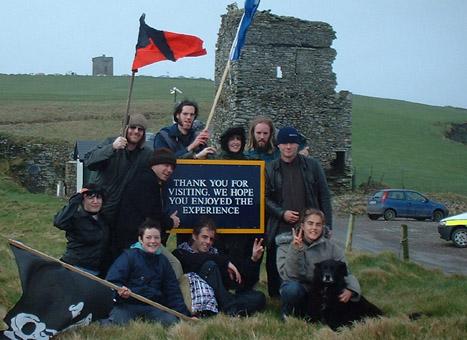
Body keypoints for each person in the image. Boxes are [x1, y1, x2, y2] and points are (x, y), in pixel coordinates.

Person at [265, 126, 332, 298]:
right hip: (281, 228)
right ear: (278, 145)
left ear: (298, 145)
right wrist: (281, 213)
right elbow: (263, 198)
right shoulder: (270, 168)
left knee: (311, 265)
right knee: (279, 269)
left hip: (310, 227)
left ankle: (311, 297)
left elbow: (324, 195)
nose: (288, 147)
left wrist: (328, 225)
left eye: (292, 143)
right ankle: (279, 298)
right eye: (285, 143)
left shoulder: (312, 166)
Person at [276, 208, 360, 319]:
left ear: (322, 227)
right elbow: (289, 275)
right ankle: (288, 313)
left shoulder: (332, 247)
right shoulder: (285, 246)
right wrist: (296, 250)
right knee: (292, 289)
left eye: (318, 225)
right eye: (310, 223)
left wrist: (352, 289)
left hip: (320, 291)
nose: (314, 228)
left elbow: (345, 271)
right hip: (298, 288)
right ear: (302, 225)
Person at [172, 218, 266, 316]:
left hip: (221, 298)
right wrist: (225, 262)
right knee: (210, 265)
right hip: (197, 299)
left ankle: (228, 308)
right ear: (195, 236)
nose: (208, 242)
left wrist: (253, 259)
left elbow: (239, 274)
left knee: (259, 297)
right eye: (204, 237)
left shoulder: (216, 255)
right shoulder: (180, 253)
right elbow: (197, 260)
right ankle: (230, 308)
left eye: (211, 239)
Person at [104, 222, 192, 326]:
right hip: (127, 305)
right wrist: (120, 291)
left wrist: (185, 316)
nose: (153, 241)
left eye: (156, 238)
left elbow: (173, 292)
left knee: (171, 322)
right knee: (117, 323)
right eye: (148, 237)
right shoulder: (128, 257)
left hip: (153, 307)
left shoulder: (163, 262)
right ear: (140, 240)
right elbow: (112, 282)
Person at [83, 114, 153, 225]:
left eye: (140, 129)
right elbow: (89, 161)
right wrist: (112, 148)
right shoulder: (110, 143)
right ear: (125, 129)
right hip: (102, 210)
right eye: (132, 127)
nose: (136, 131)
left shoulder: (146, 154)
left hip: (127, 215)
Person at [112, 148, 179, 258]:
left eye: (172, 167)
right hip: (134, 243)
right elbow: (152, 214)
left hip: (138, 240)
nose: (169, 170)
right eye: (166, 165)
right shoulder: (146, 182)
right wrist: (171, 222)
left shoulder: (148, 179)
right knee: (174, 265)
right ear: (154, 164)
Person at [53, 183, 109, 276]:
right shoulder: (76, 218)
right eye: (91, 198)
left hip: (98, 272)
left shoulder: (104, 220)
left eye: (98, 198)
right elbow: (59, 222)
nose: (95, 201)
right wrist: (76, 199)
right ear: (83, 200)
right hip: (75, 268)